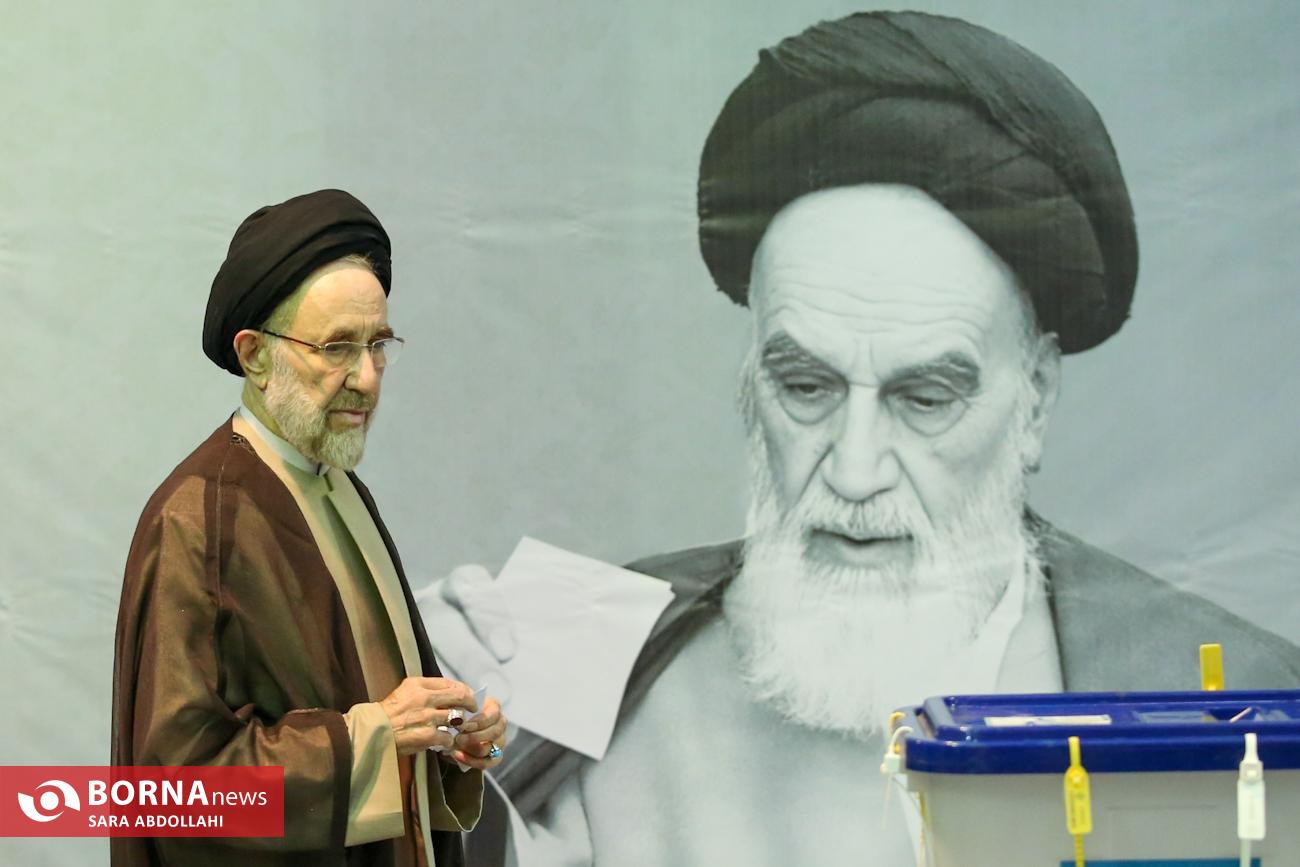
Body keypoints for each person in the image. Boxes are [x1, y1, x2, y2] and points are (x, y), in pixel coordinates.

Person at [422, 12, 1300, 866]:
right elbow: (348, 811)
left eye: (925, 398)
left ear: (1034, 398)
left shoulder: (1229, 691)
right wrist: (387, 703)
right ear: (751, 382)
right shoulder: (573, 639)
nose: (853, 468)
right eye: (807, 387)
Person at [111, 189, 508, 867]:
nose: (367, 378)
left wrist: (446, 744)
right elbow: (176, 790)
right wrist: (371, 738)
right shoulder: (198, 516)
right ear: (255, 356)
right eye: (336, 347)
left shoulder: (344, 491)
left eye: (378, 345)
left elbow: (382, 726)